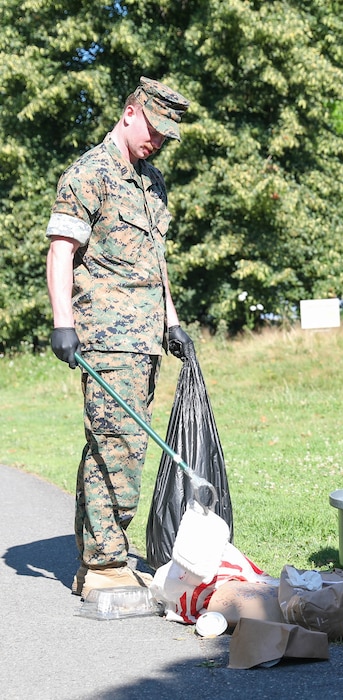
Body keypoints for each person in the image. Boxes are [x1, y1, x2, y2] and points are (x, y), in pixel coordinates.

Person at [46, 76, 195, 599]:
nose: (157, 141)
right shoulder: (90, 173)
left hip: (146, 337)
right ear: (131, 113)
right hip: (105, 335)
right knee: (119, 444)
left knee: (118, 443)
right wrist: (63, 323)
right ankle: (106, 563)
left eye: (165, 135)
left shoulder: (151, 181)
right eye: (153, 129)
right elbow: (62, 251)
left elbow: (156, 261)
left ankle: (100, 556)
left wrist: (171, 321)